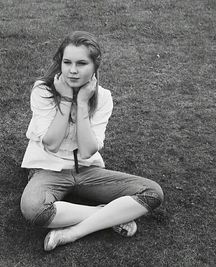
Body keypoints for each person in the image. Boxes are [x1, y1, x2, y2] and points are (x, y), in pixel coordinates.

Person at [20, 31, 164, 251]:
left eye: (81, 63)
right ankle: (109, 215)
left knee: (152, 193)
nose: (73, 70)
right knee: (33, 207)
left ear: (95, 66)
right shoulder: (43, 90)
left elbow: (87, 150)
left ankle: (71, 234)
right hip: (47, 170)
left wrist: (83, 103)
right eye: (67, 62)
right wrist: (67, 99)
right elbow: (51, 143)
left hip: (86, 171)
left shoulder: (103, 97)